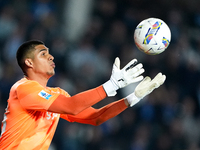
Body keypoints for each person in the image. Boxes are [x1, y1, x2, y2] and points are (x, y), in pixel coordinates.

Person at [0, 40, 166, 150]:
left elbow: (95, 117)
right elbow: (71, 107)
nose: (51, 56)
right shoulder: (23, 88)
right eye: (43, 54)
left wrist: (132, 98)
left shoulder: (57, 94)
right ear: (29, 62)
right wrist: (112, 85)